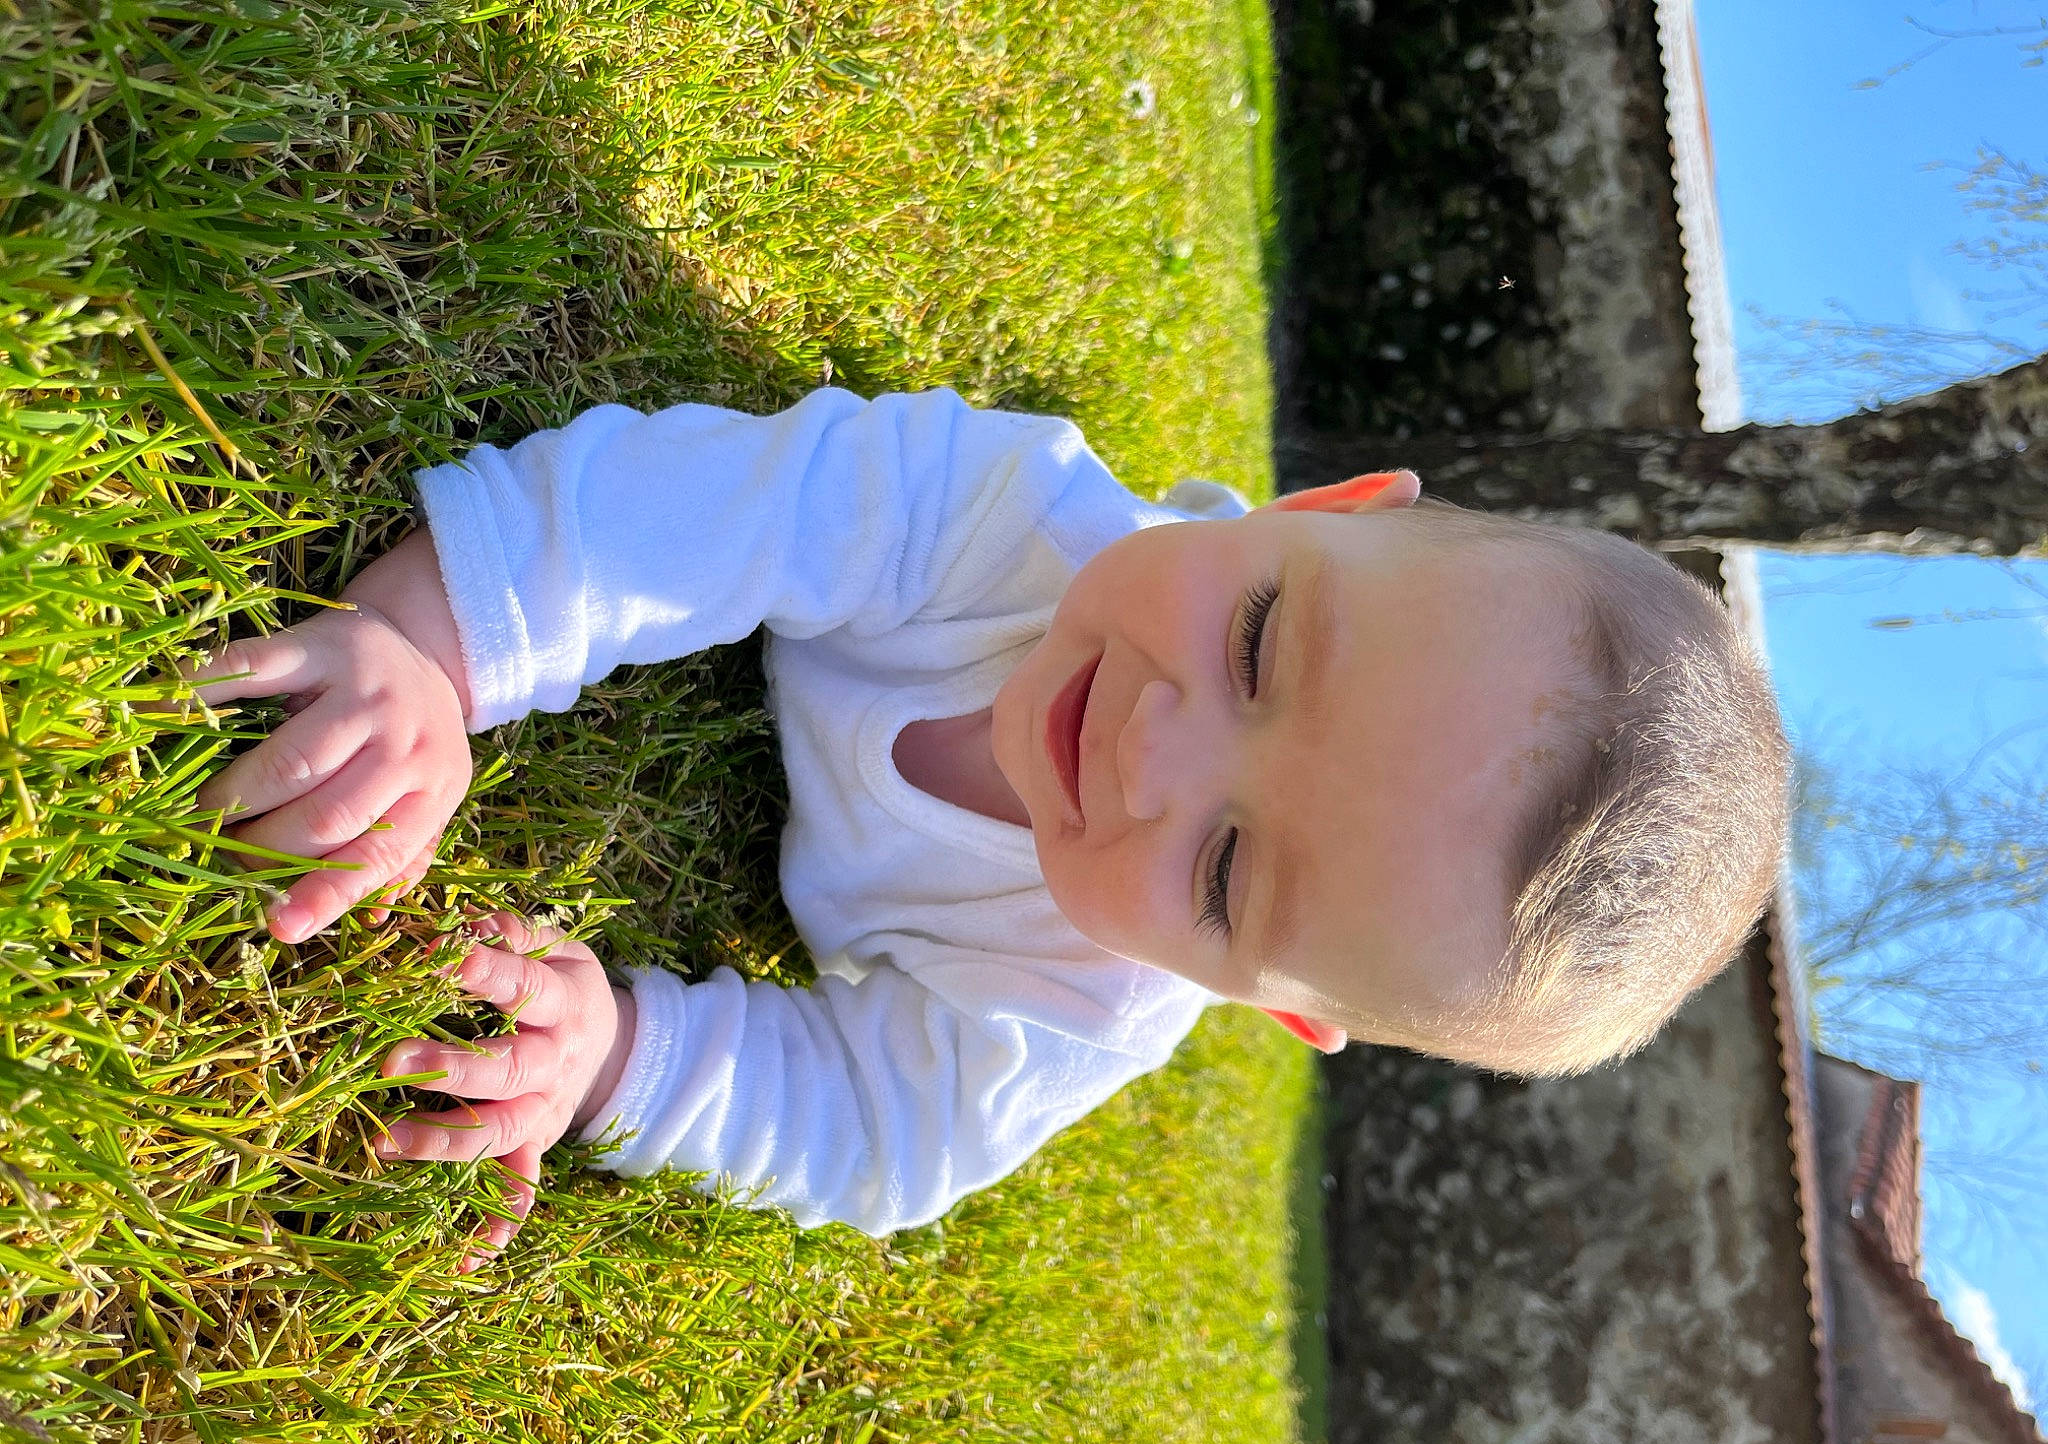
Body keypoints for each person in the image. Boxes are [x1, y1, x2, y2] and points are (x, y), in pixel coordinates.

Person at [142, 386, 1790, 1272]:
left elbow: (878, 1135)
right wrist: (444, 642)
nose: (1156, 746)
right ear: (1324, 511)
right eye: (1259, 648)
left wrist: (626, 1057)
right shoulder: (1015, 515)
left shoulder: (1074, 1007)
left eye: (1225, 869)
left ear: (1270, 1001)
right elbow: (730, 507)